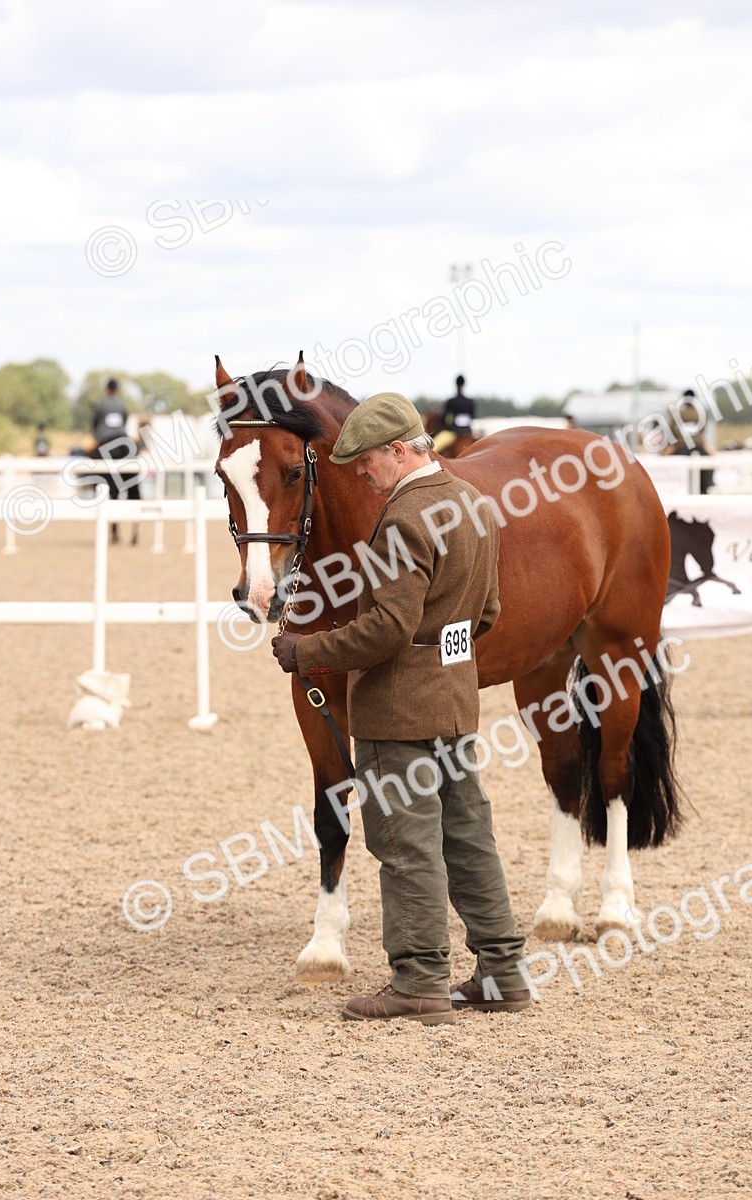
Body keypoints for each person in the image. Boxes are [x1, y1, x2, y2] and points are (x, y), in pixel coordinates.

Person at [271, 392, 528, 1025]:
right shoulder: (473, 504)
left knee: (403, 842)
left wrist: (306, 649)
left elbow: (386, 629)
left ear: (397, 450)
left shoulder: (404, 517)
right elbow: (488, 611)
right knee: (469, 837)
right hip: (455, 701)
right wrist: (443, 651)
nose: (359, 473)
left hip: (397, 709)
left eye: (365, 463)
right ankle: (501, 970)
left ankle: (419, 980)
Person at [90, 378, 141, 544]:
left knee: (91, 462)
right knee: (134, 487)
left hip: (104, 440)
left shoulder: (100, 403)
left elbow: (95, 423)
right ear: (117, 390)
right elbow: (125, 420)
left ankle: (91, 484)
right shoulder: (121, 403)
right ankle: (135, 531)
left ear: (106, 389)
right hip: (123, 439)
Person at [662, 390, 714, 495]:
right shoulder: (700, 412)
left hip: (681, 445)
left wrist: (671, 445)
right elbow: (703, 429)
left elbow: (671, 430)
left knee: (668, 463)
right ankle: (707, 485)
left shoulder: (677, 412)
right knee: (710, 462)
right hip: (699, 444)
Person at [433, 375, 476, 454]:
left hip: (454, 432)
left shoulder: (451, 401)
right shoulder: (470, 402)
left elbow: (445, 419)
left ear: (456, 384)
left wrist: (448, 425)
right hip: (468, 431)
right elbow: (473, 417)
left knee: (433, 448)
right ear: (464, 384)